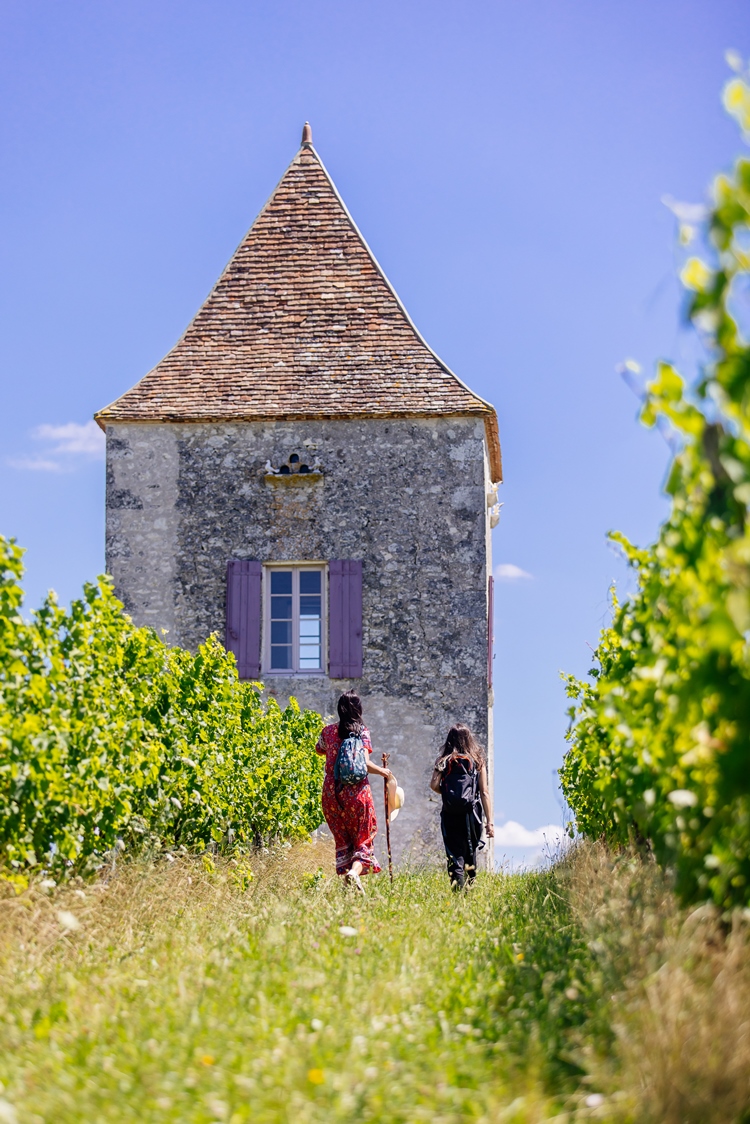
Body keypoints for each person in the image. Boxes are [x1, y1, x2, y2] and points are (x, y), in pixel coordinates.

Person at [315, 690, 394, 891]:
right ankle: (353, 873)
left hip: (332, 794)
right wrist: (385, 772)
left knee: (343, 841)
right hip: (357, 794)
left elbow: (319, 749)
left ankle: (348, 890)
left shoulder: (327, 732)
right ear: (358, 709)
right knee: (363, 840)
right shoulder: (362, 733)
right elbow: (365, 764)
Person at [430, 724, 494, 890]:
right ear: (469, 739)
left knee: (453, 854)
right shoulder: (478, 760)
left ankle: (457, 892)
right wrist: (490, 823)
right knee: (470, 851)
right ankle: (469, 888)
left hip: (450, 813)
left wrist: (449, 795)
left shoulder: (443, 760)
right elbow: (484, 792)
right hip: (472, 814)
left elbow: (434, 785)